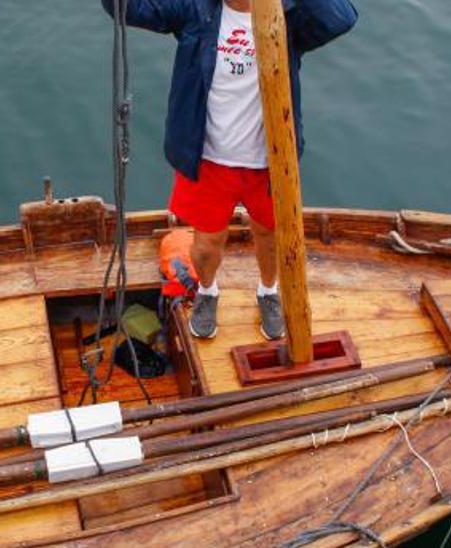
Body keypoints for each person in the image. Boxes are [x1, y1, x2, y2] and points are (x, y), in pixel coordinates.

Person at [103, 0, 357, 339]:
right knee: (208, 242)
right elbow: (128, 8)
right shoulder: (196, 10)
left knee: (270, 235)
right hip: (208, 158)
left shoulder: (290, 16)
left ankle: (269, 291)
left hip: (270, 159)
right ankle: (207, 292)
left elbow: (341, 17)